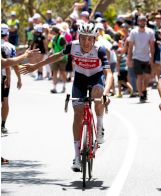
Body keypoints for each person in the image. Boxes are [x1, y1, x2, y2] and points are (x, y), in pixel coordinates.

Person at [19, 23, 113, 172]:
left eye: (90, 39)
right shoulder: (73, 46)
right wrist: (36, 66)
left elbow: (109, 74)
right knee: (77, 114)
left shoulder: (99, 50)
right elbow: (57, 56)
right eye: (83, 39)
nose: (86, 43)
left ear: (94, 40)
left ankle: (100, 126)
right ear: (79, 38)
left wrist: (106, 93)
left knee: (97, 94)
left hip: (96, 78)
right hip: (80, 79)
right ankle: (76, 156)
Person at [127, 15, 155, 103]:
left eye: (144, 21)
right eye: (141, 21)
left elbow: (152, 46)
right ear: (138, 22)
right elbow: (130, 46)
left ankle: (144, 89)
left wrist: (152, 58)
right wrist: (129, 59)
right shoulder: (133, 32)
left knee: (147, 77)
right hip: (137, 57)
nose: (142, 22)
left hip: (147, 57)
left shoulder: (150, 32)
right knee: (139, 77)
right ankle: (141, 94)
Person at [1, 24, 22, 134]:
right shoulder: (10, 47)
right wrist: (19, 78)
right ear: (7, 34)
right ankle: (3, 125)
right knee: (5, 101)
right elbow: (14, 64)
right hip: (4, 78)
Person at [50, 25, 67, 93]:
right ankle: (54, 88)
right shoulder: (53, 38)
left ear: (55, 31)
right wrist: (51, 52)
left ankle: (64, 86)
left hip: (62, 58)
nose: (51, 32)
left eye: (52, 31)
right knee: (54, 72)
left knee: (62, 72)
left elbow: (65, 48)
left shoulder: (62, 38)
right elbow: (53, 47)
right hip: (55, 58)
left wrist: (62, 56)